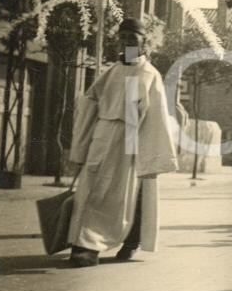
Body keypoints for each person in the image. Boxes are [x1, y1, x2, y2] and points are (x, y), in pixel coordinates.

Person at [67, 18, 178, 267]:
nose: (127, 41)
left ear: (144, 42)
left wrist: (151, 157)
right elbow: (90, 101)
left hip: (129, 138)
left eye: (133, 38)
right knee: (92, 188)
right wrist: (83, 141)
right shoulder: (113, 71)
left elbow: (157, 116)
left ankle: (97, 245)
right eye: (123, 37)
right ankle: (84, 242)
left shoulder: (149, 74)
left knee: (119, 191)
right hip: (102, 134)